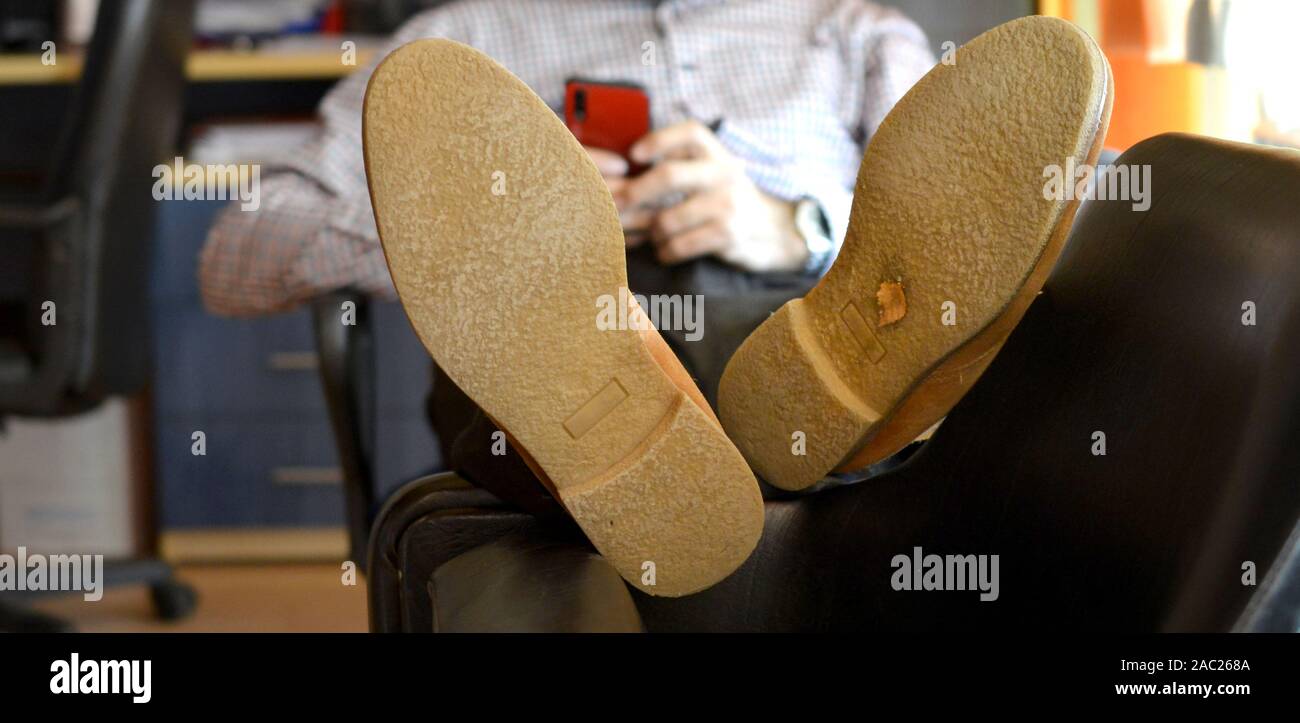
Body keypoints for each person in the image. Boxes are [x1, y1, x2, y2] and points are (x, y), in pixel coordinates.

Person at [198, 0, 937, 511]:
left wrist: (799, 225)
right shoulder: (453, 44)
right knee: (574, 364)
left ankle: (710, 461)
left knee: (881, 338)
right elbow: (241, 254)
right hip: (557, 345)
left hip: (795, 321)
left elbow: (942, 254)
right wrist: (497, 226)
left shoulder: (860, 34)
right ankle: (706, 465)